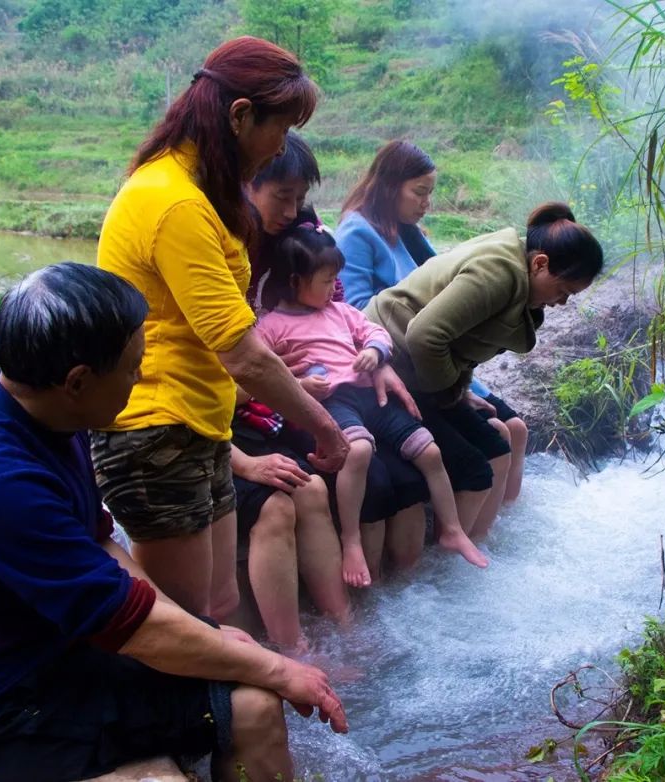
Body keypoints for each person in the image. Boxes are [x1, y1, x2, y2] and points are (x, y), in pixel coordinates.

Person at [0, 263, 347, 782]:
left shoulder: (46, 416)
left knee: (229, 657)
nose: (140, 377)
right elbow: (130, 628)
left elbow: (101, 545)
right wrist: (279, 669)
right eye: (131, 366)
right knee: (252, 704)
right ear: (77, 380)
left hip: (39, 654)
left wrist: (203, 632)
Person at [91, 37, 349, 622]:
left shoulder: (193, 191)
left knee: (221, 603)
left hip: (198, 424)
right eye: (280, 129)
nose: (281, 146)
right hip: (156, 431)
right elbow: (243, 354)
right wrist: (327, 431)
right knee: (184, 620)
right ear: (239, 116)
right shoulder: (174, 202)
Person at [244, 133, 430, 583]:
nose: (291, 211)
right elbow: (240, 352)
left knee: (405, 476)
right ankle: (358, 590)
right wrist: (277, 373)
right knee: (376, 481)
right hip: (278, 399)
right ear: (247, 183)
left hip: (332, 389)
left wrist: (376, 356)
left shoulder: (306, 232)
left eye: (300, 197)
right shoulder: (226, 238)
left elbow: (342, 308)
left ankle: (401, 597)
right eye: (281, 197)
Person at [257, 226, 488, 586]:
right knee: (358, 450)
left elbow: (375, 331)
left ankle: (452, 529)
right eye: (326, 279)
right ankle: (351, 542)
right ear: (295, 280)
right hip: (331, 401)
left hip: (369, 393)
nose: (335, 286)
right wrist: (298, 386)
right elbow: (262, 373)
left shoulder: (339, 311)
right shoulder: (270, 325)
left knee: (427, 449)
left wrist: (372, 351)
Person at [336, 140, 529, 537]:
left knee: (517, 430)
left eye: (430, 193)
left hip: (433, 351)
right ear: (390, 186)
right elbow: (354, 312)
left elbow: (442, 275)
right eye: (419, 192)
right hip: (394, 357)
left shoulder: (404, 230)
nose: (426, 203)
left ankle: (502, 533)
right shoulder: (357, 232)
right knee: (498, 436)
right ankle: (470, 540)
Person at [364, 203, 604, 519]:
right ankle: (459, 555)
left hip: (419, 368)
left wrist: (459, 390)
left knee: (497, 452)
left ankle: (484, 550)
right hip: (387, 360)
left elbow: (465, 343)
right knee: (476, 468)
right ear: (540, 263)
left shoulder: (518, 275)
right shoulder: (499, 273)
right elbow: (424, 336)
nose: (562, 303)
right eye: (563, 291)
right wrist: (449, 394)